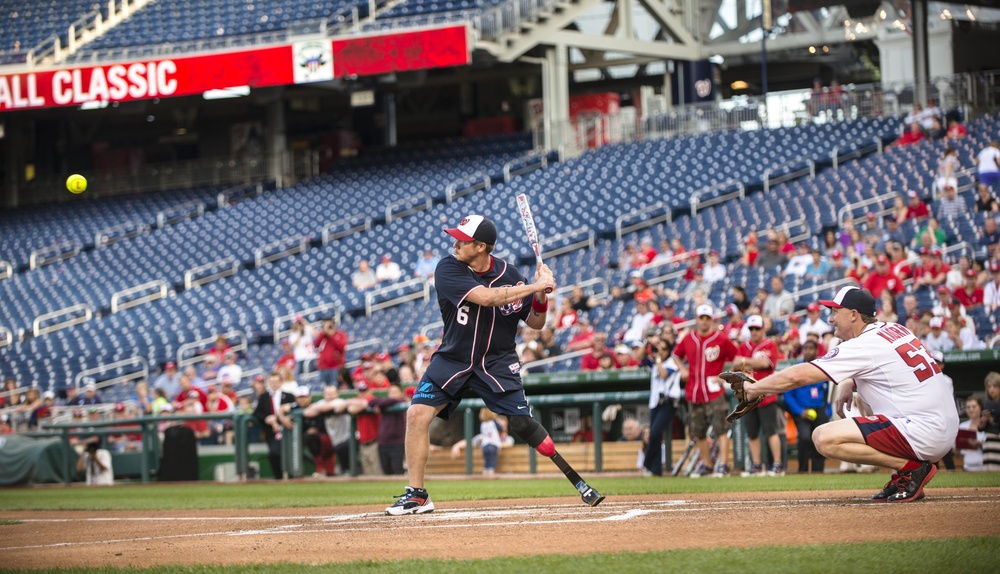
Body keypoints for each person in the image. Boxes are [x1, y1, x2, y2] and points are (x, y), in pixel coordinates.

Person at [386, 214, 603, 516]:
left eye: (462, 239)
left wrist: (540, 293)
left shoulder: (510, 273)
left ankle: (575, 478)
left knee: (522, 424)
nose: (455, 243)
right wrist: (533, 285)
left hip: (497, 363)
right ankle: (417, 495)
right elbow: (487, 298)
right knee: (416, 414)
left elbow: (537, 323)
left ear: (481, 246)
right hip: (453, 359)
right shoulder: (448, 268)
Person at [727, 286, 959, 502]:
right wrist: (850, 382)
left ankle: (912, 469)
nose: (831, 318)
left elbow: (800, 376)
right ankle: (905, 474)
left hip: (922, 429)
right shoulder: (895, 329)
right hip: (941, 424)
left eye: (836, 311)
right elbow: (894, 371)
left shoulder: (863, 344)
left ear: (854, 315)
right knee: (854, 417)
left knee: (824, 438)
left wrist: (753, 388)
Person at [672, 304, 739, 477]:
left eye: (707, 318)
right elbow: (676, 355)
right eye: (701, 318)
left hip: (714, 391)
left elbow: (737, 357)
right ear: (697, 319)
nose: (703, 321)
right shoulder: (688, 338)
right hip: (694, 392)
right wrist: (682, 369)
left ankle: (723, 465)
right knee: (699, 431)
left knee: (721, 429)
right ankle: (707, 464)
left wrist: (725, 375)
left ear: (711, 320)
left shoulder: (721, 339)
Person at [735, 315, 784, 476]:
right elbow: (735, 363)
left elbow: (765, 364)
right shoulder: (744, 345)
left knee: (771, 431)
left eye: (757, 328)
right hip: (748, 395)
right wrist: (747, 362)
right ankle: (756, 465)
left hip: (766, 394)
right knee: (752, 433)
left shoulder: (770, 344)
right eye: (751, 329)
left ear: (763, 329)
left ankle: (777, 465)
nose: (754, 332)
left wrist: (745, 361)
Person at [782, 340, 830, 474]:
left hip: (819, 408)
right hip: (801, 410)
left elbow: (828, 392)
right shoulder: (797, 368)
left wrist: (827, 411)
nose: (808, 351)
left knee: (819, 439)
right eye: (806, 348)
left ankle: (818, 470)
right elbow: (788, 394)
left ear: (816, 351)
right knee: (804, 437)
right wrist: (799, 411)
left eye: (811, 348)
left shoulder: (821, 368)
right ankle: (802, 469)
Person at [643, 335, 680, 477]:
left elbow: (664, 374)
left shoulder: (672, 362)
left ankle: (646, 464)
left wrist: (658, 358)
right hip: (655, 402)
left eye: (664, 349)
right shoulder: (655, 361)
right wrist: (648, 343)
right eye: (660, 349)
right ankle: (656, 470)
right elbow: (640, 358)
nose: (661, 351)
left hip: (668, 402)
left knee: (655, 432)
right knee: (656, 436)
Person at [303, 385, 354, 476]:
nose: (329, 397)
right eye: (327, 394)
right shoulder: (322, 402)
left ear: (337, 395)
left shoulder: (339, 401)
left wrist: (317, 408)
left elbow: (328, 408)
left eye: (332, 394)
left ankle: (348, 471)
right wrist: (318, 407)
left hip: (347, 437)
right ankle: (328, 470)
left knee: (342, 448)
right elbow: (307, 413)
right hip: (333, 438)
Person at [252, 372, 296, 479]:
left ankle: (292, 475)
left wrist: (282, 418)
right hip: (272, 431)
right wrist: (268, 419)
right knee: (274, 453)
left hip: (289, 430)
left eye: (276, 381)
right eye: (271, 382)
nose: (274, 384)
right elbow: (257, 413)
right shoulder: (264, 397)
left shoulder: (289, 396)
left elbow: (295, 409)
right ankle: (278, 477)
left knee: (290, 452)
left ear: (281, 382)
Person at [370, 383, 409, 475]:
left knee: (398, 470)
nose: (393, 394)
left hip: (397, 443)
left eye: (396, 392)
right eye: (391, 392)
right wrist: (381, 404)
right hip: (383, 443)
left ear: (401, 393)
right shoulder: (384, 404)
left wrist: (381, 404)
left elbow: (398, 401)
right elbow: (371, 402)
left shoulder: (402, 402)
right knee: (386, 471)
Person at [314, 318, 347, 387]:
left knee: (334, 386)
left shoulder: (340, 335)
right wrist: (323, 333)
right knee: (323, 387)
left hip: (335, 367)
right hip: (323, 367)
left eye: (329, 326)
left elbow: (341, 348)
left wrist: (332, 336)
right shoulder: (322, 336)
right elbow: (316, 344)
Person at [958, 397, 986, 472]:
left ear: (980, 407)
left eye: (974, 407)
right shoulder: (962, 427)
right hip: (967, 467)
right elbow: (956, 451)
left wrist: (979, 444)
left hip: (985, 468)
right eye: (968, 407)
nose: (971, 409)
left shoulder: (987, 426)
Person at [980, 372, 1000, 471]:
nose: (991, 389)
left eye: (995, 386)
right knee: (989, 470)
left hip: (998, 440)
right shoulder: (986, 403)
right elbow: (980, 428)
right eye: (989, 386)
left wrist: (993, 421)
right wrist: (984, 420)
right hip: (989, 440)